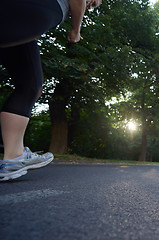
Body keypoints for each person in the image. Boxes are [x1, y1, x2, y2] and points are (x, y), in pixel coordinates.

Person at [0, 0, 102, 181]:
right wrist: (76, 30)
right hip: (29, 9)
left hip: (24, 21)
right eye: (93, 3)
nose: (91, 5)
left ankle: (14, 156)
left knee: (30, 85)